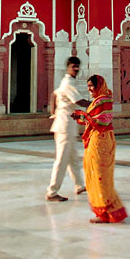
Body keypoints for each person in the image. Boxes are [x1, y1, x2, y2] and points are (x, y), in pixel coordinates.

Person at [72, 74, 127, 223]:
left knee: (100, 176)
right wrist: (80, 117)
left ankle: (105, 212)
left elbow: (102, 121)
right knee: (95, 174)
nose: (89, 89)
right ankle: (108, 210)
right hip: (96, 139)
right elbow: (91, 120)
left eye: (91, 86)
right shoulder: (98, 100)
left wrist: (82, 115)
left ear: (99, 86)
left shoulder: (104, 99)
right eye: (88, 86)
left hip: (101, 139)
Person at [46, 56, 89, 202]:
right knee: (61, 160)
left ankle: (79, 185)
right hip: (64, 125)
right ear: (68, 67)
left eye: (77, 66)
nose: (76, 69)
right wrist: (96, 103)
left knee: (73, 158)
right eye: (73, 67)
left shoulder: (66, 82)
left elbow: (54, 94)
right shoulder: (68, 83)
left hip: (67, 124)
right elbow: (78, 101)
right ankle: (52, 191)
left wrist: (53, 112)